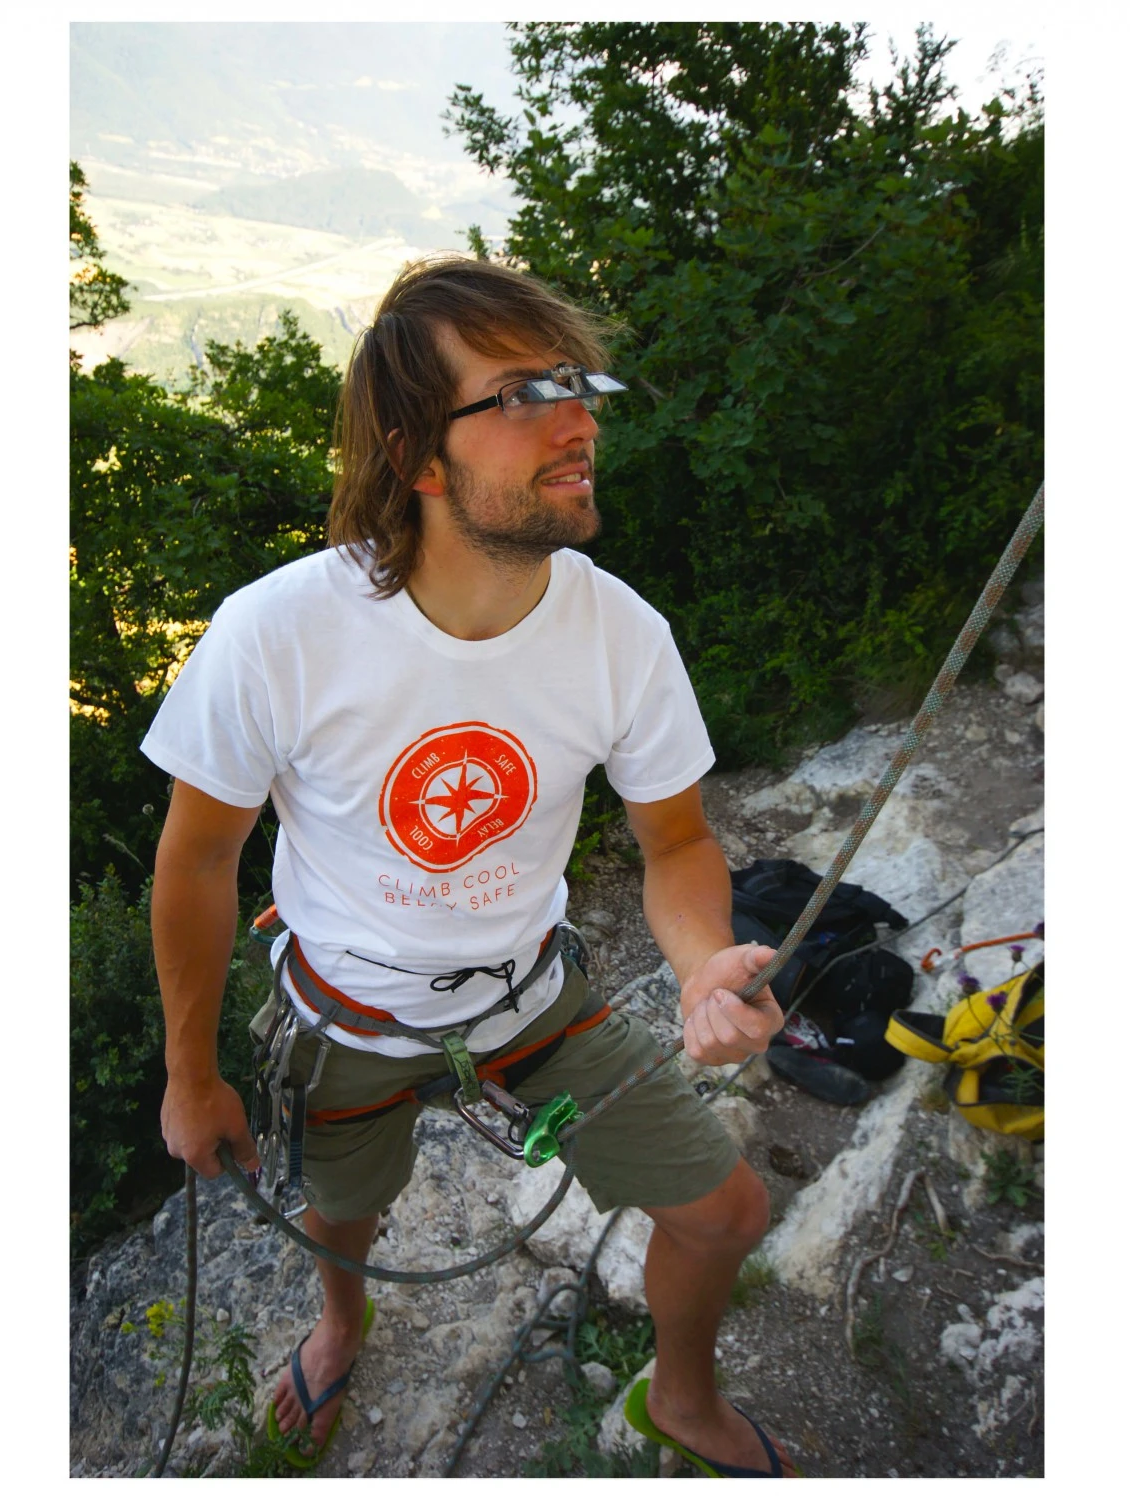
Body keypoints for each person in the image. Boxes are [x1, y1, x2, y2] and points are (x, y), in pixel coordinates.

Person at [144, 255, 795, 1477]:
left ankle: (683, 1400)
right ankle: (343, 1324)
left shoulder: (620, 635)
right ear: (416, 456)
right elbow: (197, 862)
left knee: (727, 1213)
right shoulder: (280, 634)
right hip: (346, 1009)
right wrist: (192, 1077)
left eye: (577, 384)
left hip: (529, 994)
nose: (578, 419)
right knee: (346, 1207)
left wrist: (704, 964)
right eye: (522, 395)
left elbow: (676, 840)